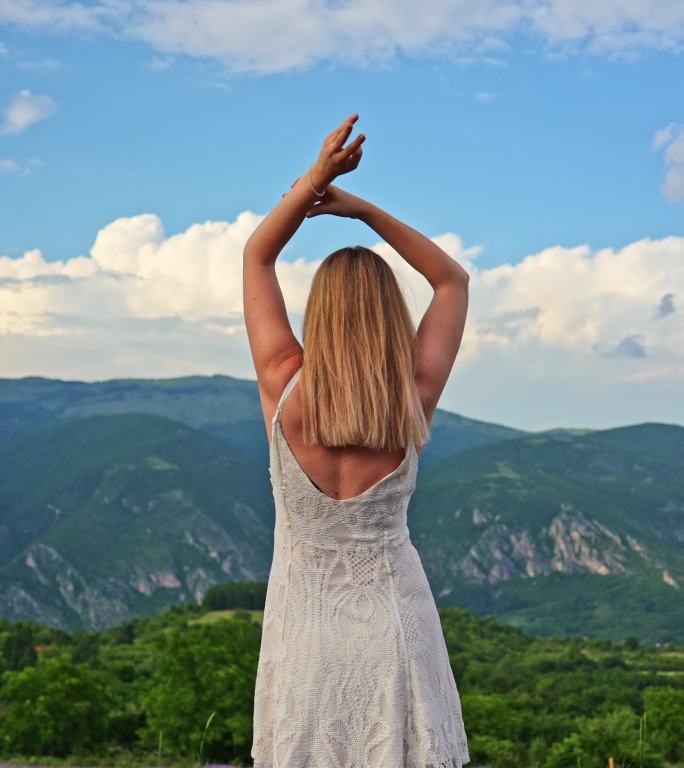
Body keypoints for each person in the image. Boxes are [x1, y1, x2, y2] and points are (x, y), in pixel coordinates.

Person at [243, 112, 470, 768]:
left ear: (320, 312)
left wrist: (313, 183)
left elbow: (257, 253)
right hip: (397, 631)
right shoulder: (412, 396)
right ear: (390, 316)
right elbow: (452, 280)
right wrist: (363, 211)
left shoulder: (282, 382)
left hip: (304, 636)